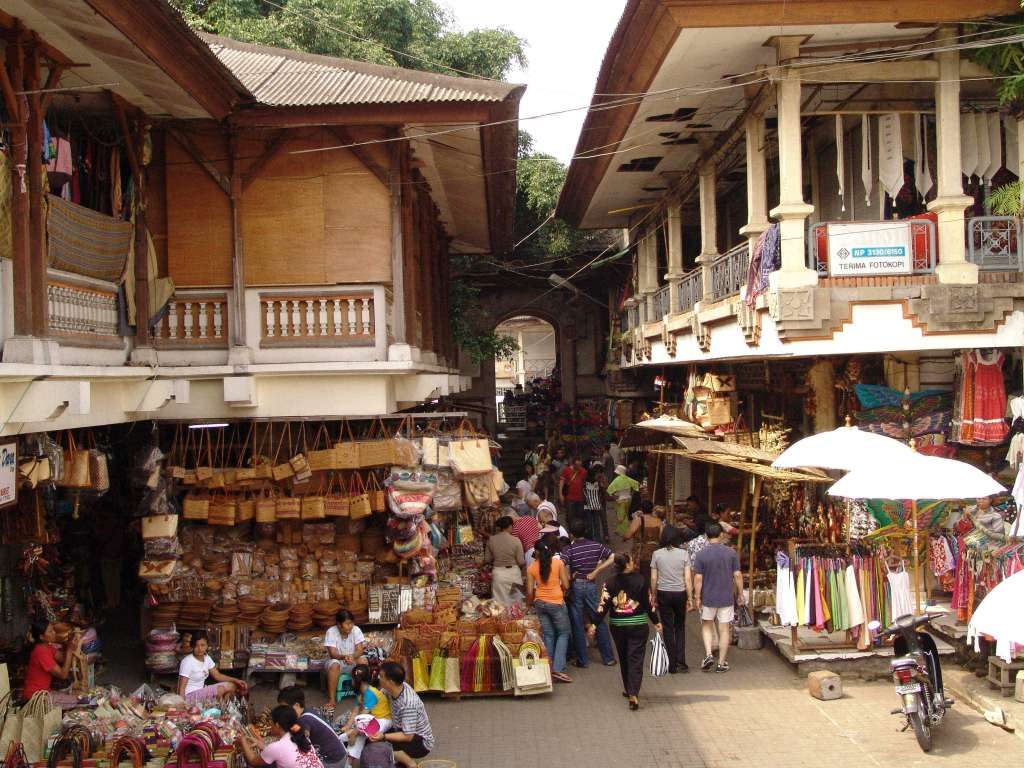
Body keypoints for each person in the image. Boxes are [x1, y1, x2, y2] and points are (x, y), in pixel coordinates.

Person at [588, 553, 662, 710]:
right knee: (635, 658)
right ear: (628, 565)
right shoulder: (641, 580)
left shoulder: (609, 582)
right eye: (632, 560)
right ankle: (634, 693)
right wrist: (656, 621)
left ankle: (629, 689)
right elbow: (649, 604)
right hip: (638, 625)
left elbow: (603, 605)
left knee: (623, 656)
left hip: (617, 625)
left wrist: (594, 624)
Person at [562, 520, 616, 668]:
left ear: (571, 534)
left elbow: (562, 567)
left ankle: (582, 660)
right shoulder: (596, 546)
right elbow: (612, 557)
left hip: (576, 586)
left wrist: (569, 577)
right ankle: (608, 658)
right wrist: (596, 571)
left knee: (577, 622)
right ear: (585, 531)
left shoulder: (568, 550)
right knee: (598, 619)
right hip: (591, 585)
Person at [692, 522, 744, 673]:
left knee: (707, 625)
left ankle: (708, 654)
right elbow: (738, 575)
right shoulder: (730, 553)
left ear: (707, 536)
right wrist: (740, 593)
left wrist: (697, 597)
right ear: (721, 535)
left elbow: (698, 579)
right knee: (724, 630)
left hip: (708, 597)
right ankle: (721, 663)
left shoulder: (701, 554)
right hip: (726, 597)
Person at [367, 662, 434, 767]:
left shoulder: (408, 703)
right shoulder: (393, 688)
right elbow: (378, 699)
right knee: (372, 740)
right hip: (401, 729)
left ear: (390, 682)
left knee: (380, 747)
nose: (379, 678)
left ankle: (409, 762)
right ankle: (398, 757)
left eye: (382, 676)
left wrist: (383, 736)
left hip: (420, 742)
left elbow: (408, 736)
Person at [526, 539, 573, 683]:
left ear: (537, 553)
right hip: (556, 602)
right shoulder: (558, 563)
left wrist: (529, 605)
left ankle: (548, 666)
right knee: (563, 633)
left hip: (540, 603)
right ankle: (558, 669)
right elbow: (565, 584)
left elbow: (529, 591)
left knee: (549, 635)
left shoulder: (532, 568)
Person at [650, 527, 693, 673]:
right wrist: (690, 597)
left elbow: (654, 578)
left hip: (664, 593)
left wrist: (654, 595)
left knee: (667, 627)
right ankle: (681, 661)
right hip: (680, 593)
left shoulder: (656, 554)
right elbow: (687, 578)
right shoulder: (684, 554)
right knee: (680, 627)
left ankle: (671, 663)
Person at [277, 686, 347, 768]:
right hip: (340, 755)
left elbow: (304, 736)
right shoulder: (308, 710)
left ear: (296, 705)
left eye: (285, 708)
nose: (283, 711)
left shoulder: (304, 720)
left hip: (333, 761)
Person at [237, 704, 324, 768]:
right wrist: (263, 746)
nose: (269, 724)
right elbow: (285, 752)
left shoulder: (278, 746)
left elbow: (253, 761)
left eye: (271, 721)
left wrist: (243, 740)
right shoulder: (301, 736)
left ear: (277, 725)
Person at [340, 665, 393, 763]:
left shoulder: (370, 694)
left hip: (383, 720)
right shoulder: (362, 693)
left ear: (357, 681)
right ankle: (348, 757)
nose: (351, 681)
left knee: (360, 732)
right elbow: (355, 711)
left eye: (351, 679)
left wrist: (354, 732)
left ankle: (348, 755)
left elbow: (363, 719)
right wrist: (347, 726)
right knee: (358, 732)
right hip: (372, 719)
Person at [177, 632, 246, 706]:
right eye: (196, 646)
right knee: (221, 689)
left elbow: (217, 676)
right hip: (189, 696)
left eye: (202, 645)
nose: (200, 648)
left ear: (207, 646)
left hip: (200, 692)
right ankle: (221, 709)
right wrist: (182, 705)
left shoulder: (207, 658)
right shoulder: (187, 661)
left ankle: (224, 710)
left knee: (232, 686)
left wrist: (236, 680)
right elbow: (181, 687)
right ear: (193, 647)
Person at [23, 620, 81, 705]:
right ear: (42, 637)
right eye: (50, 631)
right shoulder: (40, 652)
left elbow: (62, 658)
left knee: (73, 696)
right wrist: (69, 650)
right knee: (75, 701)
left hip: (44, 692)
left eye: (53, 630)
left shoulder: (47, 646)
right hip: (35, 697)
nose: (54, 633)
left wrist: (68, 644)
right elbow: (63, 675)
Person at [324, 609, 369, 716]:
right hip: (337, 661)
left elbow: (359, 649)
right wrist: (345, 656)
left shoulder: (356, 630)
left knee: (363, 661)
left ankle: (365, 694)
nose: (350, 626)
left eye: (351, 623)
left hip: (352, 660)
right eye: (347, 624)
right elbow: (333, 653)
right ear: (339, 625)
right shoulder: (331, 632)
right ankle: (332, 699)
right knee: (334, 664)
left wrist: (352, 657)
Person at [485, 516, 525, 606]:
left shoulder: (491, 540)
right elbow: (521, 561)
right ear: (510, 526)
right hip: (514, 574)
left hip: (499, 574)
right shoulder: (516, 540)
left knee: (499, 605)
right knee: (516, 604)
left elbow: (487, 559)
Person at [607, 465, 640, 538]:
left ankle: (624, 531)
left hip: (620, 500)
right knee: (625, 514)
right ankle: (620, 529)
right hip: (628, 498)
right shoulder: (628, 479)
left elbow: (609, 489)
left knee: (621, 516)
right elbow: (636, 484)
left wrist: (614, 496)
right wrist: (631, 493)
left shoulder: (616, 480)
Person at [583, 464, 609, 542]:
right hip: (593, 505)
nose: (599, 474)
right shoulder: (592, 482)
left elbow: (604, 491)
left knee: (592, 524)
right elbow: (603, 491)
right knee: (593, 523)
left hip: (591, 505)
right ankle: (595, 540)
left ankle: (593, 540)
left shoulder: (588, 482)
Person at [559, 456, 587, 527]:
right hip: (570, 498)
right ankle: (571, 532)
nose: (579, 467)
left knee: (580, 516)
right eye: (577, 465)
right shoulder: (567, 470)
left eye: (580, 465)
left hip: (580, 498)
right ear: (573, 464)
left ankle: (579, 532)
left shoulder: (583, 471)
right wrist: (560, 494)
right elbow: (562, 481)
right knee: (570, 517)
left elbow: (584, 483)